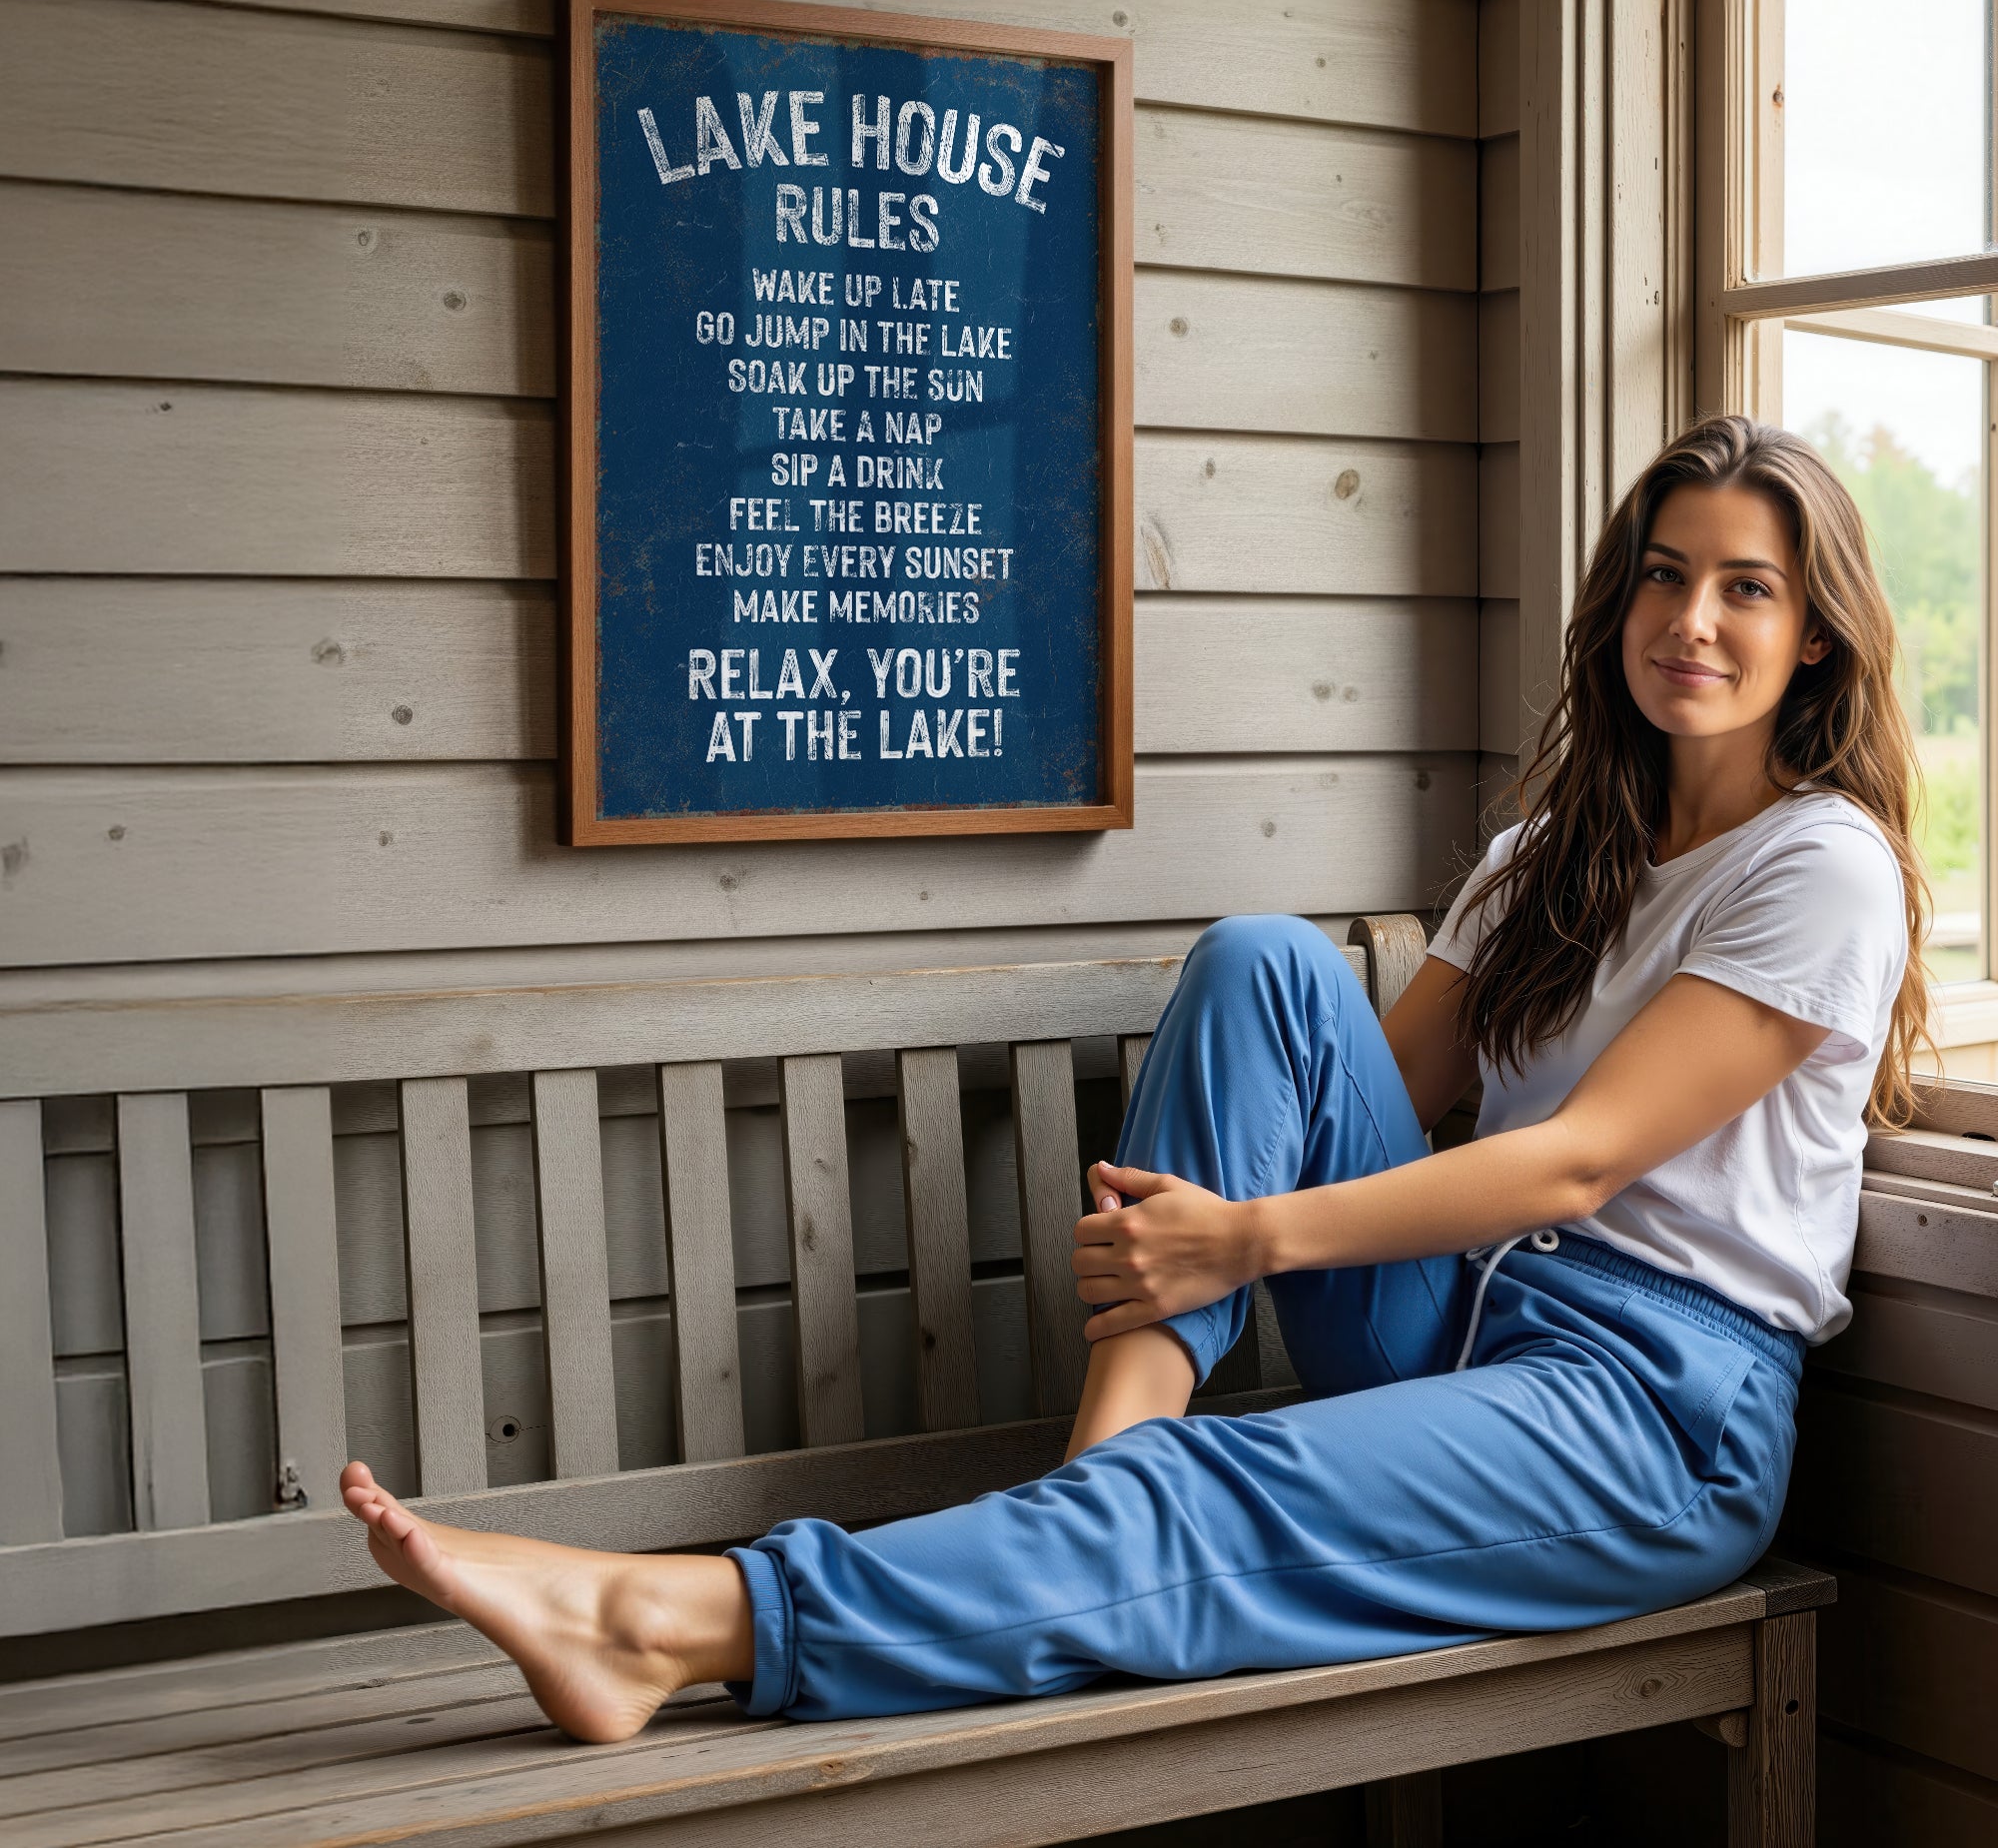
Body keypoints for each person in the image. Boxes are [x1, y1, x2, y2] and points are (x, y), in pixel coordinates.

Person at [342, 414, 1926, 1744]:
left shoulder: (1820, 868)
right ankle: (1099, 1480)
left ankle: (665, 1617)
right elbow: (1337, 1097)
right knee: (1266, 962)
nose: (1691, 621)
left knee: (1224, 1491)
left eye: (1746, 588)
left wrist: (1243, 1244)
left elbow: (1577, 1164)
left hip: (1647, 1406)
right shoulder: (1548, 857)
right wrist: (1247, 1229)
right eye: (1665, 574)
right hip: (1457, 1321)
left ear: (1815, 633)